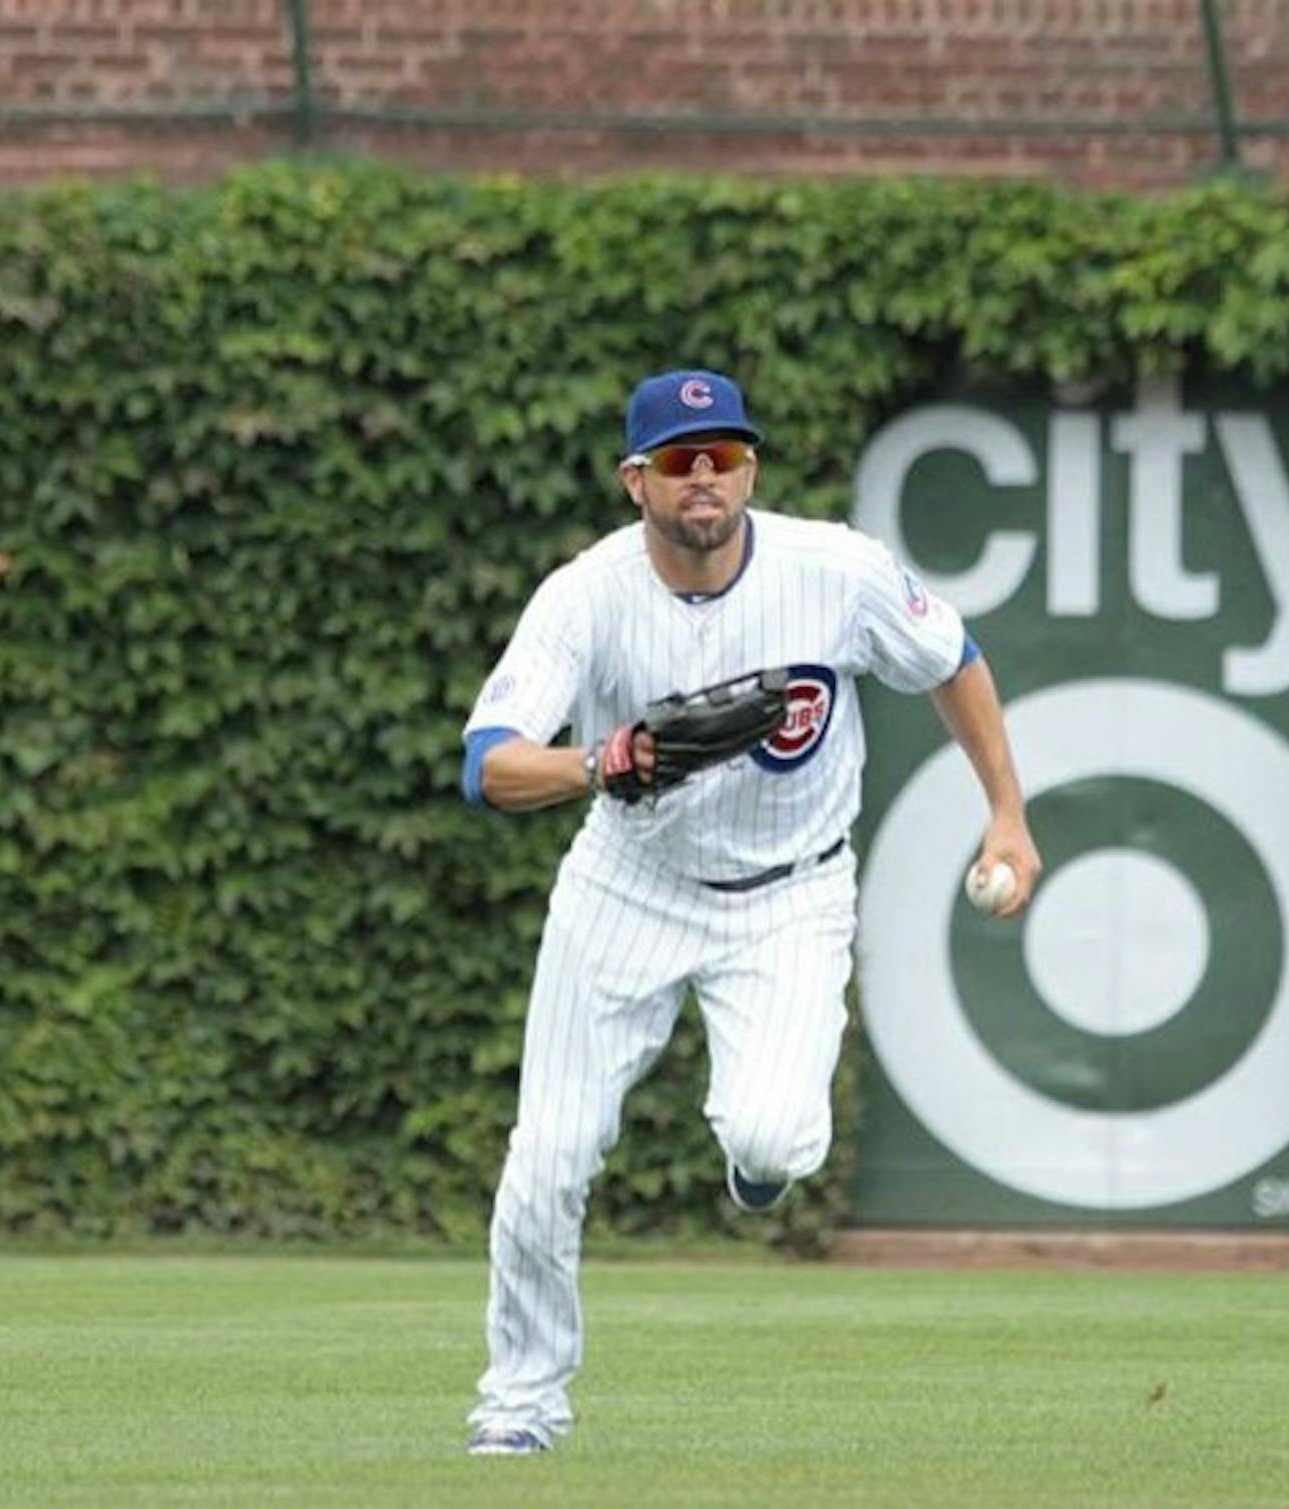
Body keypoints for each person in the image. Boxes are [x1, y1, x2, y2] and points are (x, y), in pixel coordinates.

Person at [456, 368, 1041, 1456]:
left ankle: (757, 1165)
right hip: (628, 885)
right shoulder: (584, 597)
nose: (705, 477)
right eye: (680, 461)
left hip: (792, 893)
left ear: (751, 468)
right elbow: (487, 767)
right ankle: (520, 1408)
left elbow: (951, 660)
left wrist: (1007, 812)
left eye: (724, 454)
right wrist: (596, 760)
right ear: (636, 481)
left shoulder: (835, 572)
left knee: (775, 1137)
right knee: (546, 1162)